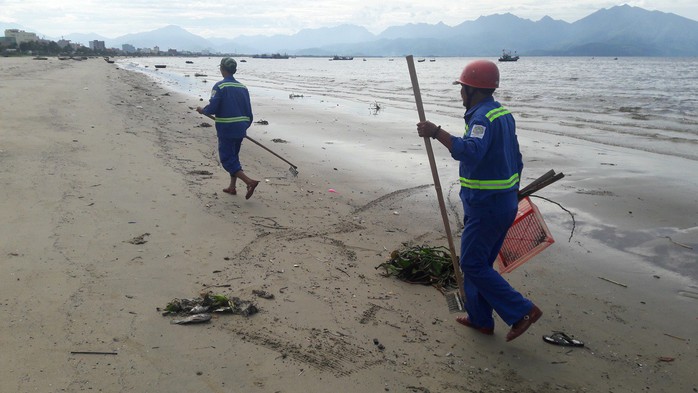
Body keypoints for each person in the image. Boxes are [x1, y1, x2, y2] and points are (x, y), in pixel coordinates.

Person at [416, 59, 541, 342]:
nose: (460, 94)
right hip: (499, 202)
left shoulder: (483, 118)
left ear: (474, 90)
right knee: (479, 262)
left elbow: (469, 151)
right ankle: (481, 319)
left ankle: (522, 310)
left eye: (462, 89)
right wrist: (513, 191)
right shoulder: (502, 114)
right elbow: (516, 159)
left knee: (472, 263)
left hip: (488, 206)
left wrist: (436, 132)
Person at [197, 57, 259, 199]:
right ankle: (232, 187)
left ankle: (249, 182)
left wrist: (203, 110)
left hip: (227, 127)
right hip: (241, 127)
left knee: (226, 159)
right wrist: (244, 126)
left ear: (222, 69)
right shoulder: (243, 87)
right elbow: (249, 111)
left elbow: (213, 107)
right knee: (234, 157)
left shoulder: (220, 86)